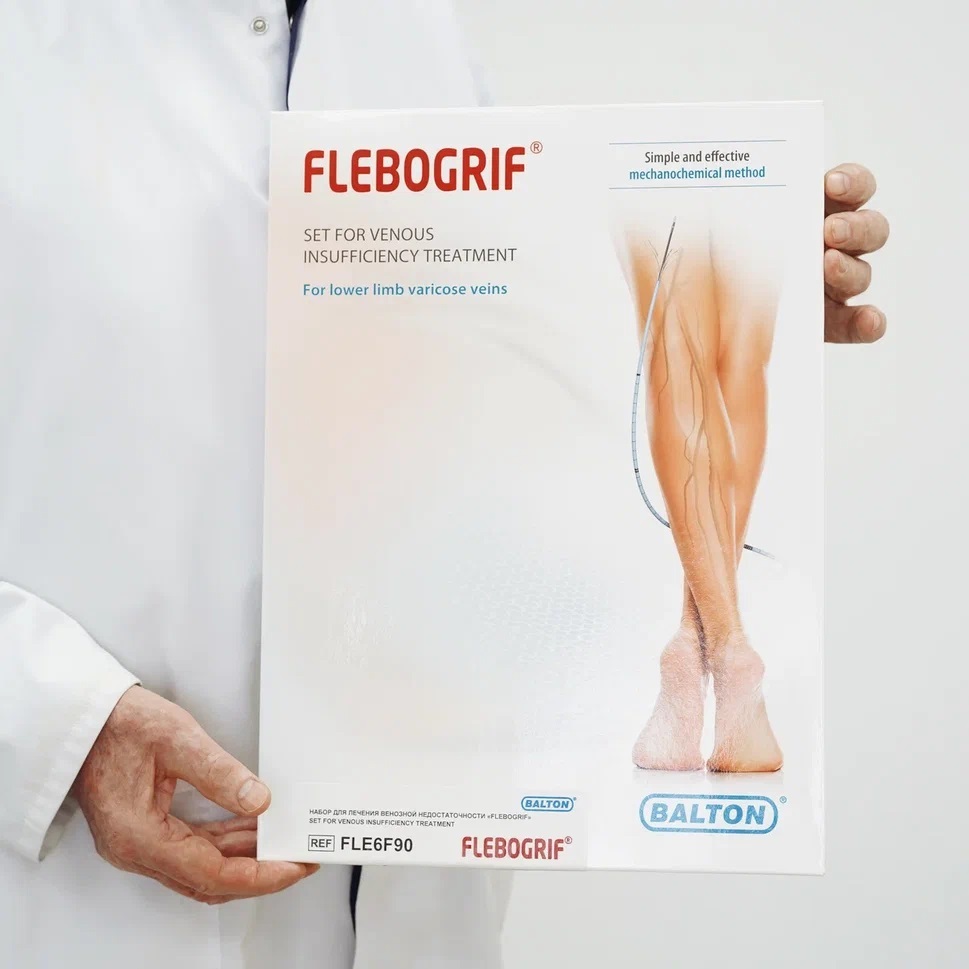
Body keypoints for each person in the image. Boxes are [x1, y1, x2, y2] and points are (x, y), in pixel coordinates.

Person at [0, 2, 889, 967]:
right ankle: (714, 648)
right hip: (88, 911)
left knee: (695, 280)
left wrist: (740, 276)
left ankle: (704, 644)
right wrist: (55, 724)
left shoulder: (408, 29)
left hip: (414, 882)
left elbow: (484, 352)